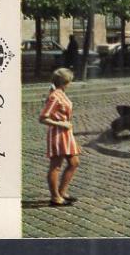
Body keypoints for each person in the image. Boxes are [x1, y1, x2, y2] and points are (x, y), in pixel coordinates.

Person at [39, 68, 80, 207]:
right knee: (56, 166)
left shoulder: (60, 93)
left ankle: (62, 192)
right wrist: (60, 123)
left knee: (74, 162)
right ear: (64, 81)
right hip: (58, 134)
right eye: (69, 81)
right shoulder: (55, 96)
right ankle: (55, 197)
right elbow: (43, 118)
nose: (70, 83)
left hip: (66, 133)